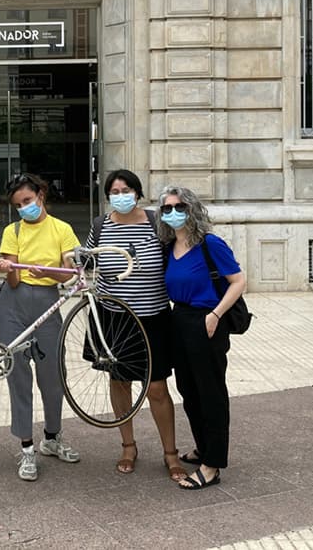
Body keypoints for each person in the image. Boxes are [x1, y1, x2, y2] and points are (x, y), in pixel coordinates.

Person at [84, 170, 186, 481]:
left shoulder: (157, 222)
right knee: (119, 382)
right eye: (114, 191)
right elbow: (86, 261)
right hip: (114, 319)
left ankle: (170, 452)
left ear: (138, 193)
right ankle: (128, 446)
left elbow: (180, 252)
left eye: (126, 189)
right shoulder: (100, 226)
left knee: (156, 387)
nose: (121, 196)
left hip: (153, 317)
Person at [0, 173, 82, 482]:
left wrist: (48, 272)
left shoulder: (62, 229)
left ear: (41, 196)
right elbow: (13, 279)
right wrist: (9, 269)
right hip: (13, 305)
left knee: (53, 373)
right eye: (18, 205)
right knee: (18, 376)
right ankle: (27, 448)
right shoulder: (13, 231)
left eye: (28, 201)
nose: (24, 208)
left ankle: (52, 437)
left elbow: (69, 274)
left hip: (48, 302)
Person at [158, 185, 246, 490]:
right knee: (189, 390)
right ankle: (203, 447)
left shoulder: (210, 244)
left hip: (207, 320)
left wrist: (216, 315)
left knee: (211, 393)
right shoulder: (170, 247)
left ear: (191, 209)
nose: (172, 213)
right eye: (166, 209)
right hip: (179, 320)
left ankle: (212, 465)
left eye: (179, 207)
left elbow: (238, 281)